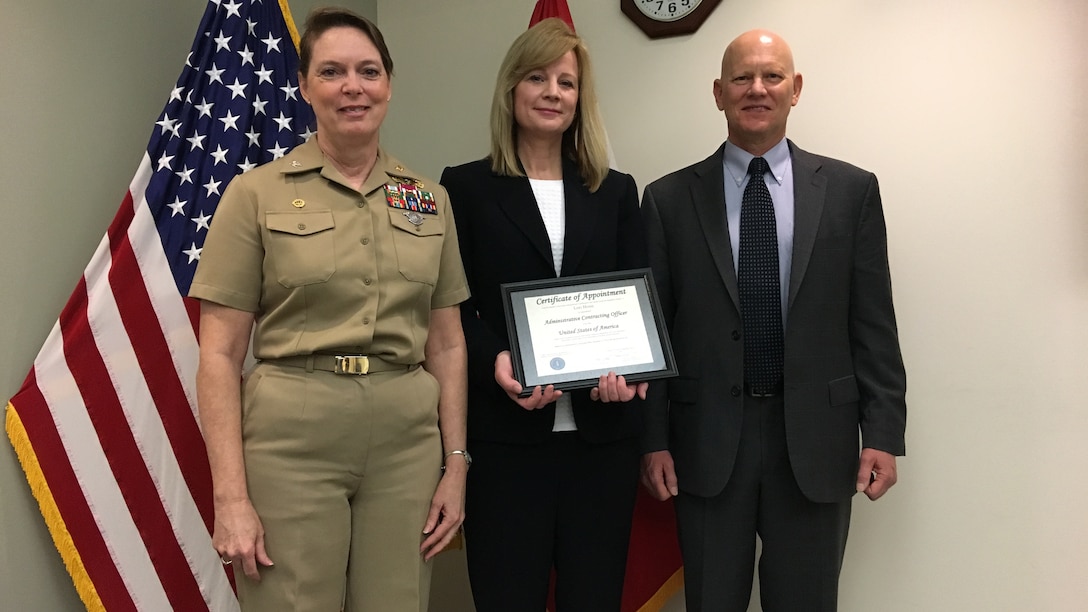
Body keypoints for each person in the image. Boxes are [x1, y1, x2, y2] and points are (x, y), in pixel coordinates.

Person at [189, 8, 470, 611]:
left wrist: (456, 464)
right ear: (305, 86)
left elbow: (446, 344)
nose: (353, 87)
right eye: (333, 71)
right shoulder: (255, 194)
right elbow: (218, 353)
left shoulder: (429, 200)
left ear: (388, 84)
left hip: (405, 443)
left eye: (369, 71)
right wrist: (230, 496)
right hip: (292, 439)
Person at [639, 29, 907, 611]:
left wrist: (882, 433)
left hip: (816, 443)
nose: (756, 89)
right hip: (707, 445)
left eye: (772, 76)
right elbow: (655, 332)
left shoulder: (850, 192)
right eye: (741, 77)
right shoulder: (666, 200)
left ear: (796, 89)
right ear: (718, 92)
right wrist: (653, 440)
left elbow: (873, 324)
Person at [440, 18, 648, 612]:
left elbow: (637, 301)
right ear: (512, 89)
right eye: (538, 77)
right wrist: (496, 361)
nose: (553, 92)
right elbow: (451, 308)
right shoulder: (466, 188)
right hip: (506, 444)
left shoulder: (613, 191)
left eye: (567, 81)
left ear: (582, 99)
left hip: (600, 446)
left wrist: (627, 371)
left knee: (594, 598)